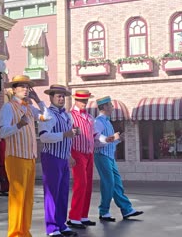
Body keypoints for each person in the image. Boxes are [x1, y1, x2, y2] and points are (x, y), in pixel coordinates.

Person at [0, 75, 47, 237]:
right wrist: (19, 124)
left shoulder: (29, 108)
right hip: (16, 156)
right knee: (17, 197)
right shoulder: (8, 107)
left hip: (30, 157)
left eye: (27, 87)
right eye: (22, 86)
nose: (25, 89)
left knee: (28, 198)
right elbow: (2, 132)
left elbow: (47, 117)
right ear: (13, 89)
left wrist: (38, 99)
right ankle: (14, 233)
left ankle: (25, 232)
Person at [93, 96, 143, 221]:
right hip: (101, 155)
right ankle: (104, 211)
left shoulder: (107, 122)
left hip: (109, 156)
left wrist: (118, 140)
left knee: (117, 183)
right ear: (104, 107)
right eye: (110, 105)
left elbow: (109, 141)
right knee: (108, 183)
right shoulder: (97, 122)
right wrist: (113, 138)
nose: (113, 107)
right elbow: (96, 141)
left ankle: (126, 210)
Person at [38, 84, 78, 237]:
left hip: (63, 158)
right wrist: (65, 134)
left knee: (62, 193)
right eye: (58, 96)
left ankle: (62, 224)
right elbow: (43, 137)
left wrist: (69, 155)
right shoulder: (47, 114)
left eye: (63, 96)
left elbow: (67, 138)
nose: (61, 98)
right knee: (51, 193)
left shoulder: (66, 115)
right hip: (51, 157)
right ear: (51, 97)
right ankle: (52, 228)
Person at [67, 90, 97, 229]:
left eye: (86, 100)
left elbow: (95, 135)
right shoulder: (70, 116)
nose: (84, 103)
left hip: (89, 153)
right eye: (81, 100)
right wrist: (69, 155)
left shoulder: (90, 118)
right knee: (81, 184)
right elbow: (67, 137)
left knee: (88, 185)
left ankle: (83, 216)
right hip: (77, 152)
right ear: (75, 100)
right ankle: (74, 217)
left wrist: (107, 139)